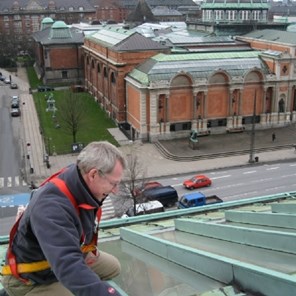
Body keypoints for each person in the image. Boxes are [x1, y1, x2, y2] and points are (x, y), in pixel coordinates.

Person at [1, 141, 126, 296]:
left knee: (114, 267)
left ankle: (67, 280)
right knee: (72, 284)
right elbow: (68, 264)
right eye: (113, 184)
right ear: (93, 174)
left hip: (55, 260)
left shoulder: (80, 180)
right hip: (31, 278)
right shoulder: (50, 207)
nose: (115, 191)